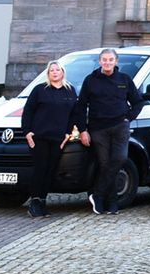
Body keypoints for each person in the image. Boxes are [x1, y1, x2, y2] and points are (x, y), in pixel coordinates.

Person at [70, 49, 142, 215]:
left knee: (119, 159)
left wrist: (128, 118)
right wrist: (83, 130)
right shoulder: (90, 80)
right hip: (98, 128)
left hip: (120, 127)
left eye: (110, 59)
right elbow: (81, 107)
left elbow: (138, 102)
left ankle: (98, 194)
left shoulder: (124, 79)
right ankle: (112, 202)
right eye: (104, 59)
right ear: (100, 61)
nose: (107, 62)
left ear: (116, 61)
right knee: (104, 164)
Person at [22, 60, 77, 219]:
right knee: (40, 170)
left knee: (50, 171)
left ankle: (42, 202)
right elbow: (28, 111)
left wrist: (67, 133)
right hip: (39, 137)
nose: (54, 72)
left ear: (63, 72)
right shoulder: (40, 90)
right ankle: (34, 202)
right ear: (48, 73)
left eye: (57, 70)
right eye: (51, 70)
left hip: (58, 138)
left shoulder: (70, 91)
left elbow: (73, 114)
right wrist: (27, 132)